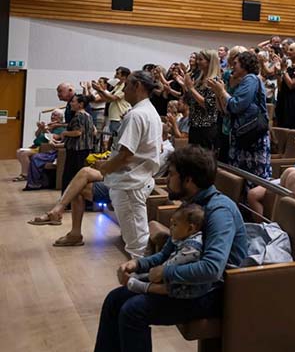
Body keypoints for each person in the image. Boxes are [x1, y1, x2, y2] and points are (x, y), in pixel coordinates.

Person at [94, 145, 248, 352]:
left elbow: (212, 269)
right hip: (190, 284)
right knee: (114, 300)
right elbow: (167, 253)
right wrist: (138, 264)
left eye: (172, 174)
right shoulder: (191, 205)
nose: (167, 179)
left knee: (133, 311)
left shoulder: (219, 211)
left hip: (217, 292)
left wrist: (166, 271)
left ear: (189, 180)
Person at [28, 71, 161, 256]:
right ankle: (70, 227)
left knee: (136, 244)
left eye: (127, 85)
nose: (123, 91)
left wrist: (105, 167)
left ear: (137, 86)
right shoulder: (148, 111)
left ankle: (138, 279)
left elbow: (126, 155)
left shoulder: (137, 115)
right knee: (80, 186)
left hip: (130, 184)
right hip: (132, 179)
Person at [209, 50, 272, 193]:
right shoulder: (245, 80)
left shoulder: (250, 79)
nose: (232, 66)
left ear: (245, 65)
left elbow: (237, 105)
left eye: (236, 63)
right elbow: (225, 111)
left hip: (252, 137)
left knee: (252, 179)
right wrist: (218, 92)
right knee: (240, 178)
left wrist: (222, 91)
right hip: (243, 136)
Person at [125, 203, 209, 298]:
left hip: (188, 288)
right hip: (176, 276)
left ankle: (145, 287)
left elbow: (169, 266)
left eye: (175, 224)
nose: (171, 228)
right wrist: (140, 265)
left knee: (169, 286)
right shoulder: (182, 237)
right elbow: (164, 255)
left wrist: (151, 274)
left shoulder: (192, 249)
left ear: (191, 228)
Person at [176, 49, 221, 150]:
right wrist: (185, 86)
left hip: (206, 127)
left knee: (204, 160)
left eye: (201, 59)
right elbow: (190, 100)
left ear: (209, 62)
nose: (197, 62)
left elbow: (208, 105)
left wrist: (191, 88)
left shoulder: (215, 81)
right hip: (194, 125)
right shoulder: (199, 79)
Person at [56, 94, 97, 192]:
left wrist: (65, 133)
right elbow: (94, 131)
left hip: (76, 150)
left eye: (73, 101)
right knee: (80, 175)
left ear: (80, 104)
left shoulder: (78, 116)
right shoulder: (89, 116)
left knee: (70, 175)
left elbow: (78, 132)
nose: (71, 104)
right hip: (86, 149)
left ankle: (67, 200)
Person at [14, 109, 64, 182]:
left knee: (23, 154)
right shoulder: (50, 125)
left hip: (45, 149)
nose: (53, 117)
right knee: (18, 151)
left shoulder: (61, 128)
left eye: (55, 115)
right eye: (52, 115)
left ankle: (26, 174)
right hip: (36, 146)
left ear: (60, 118)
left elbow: (53, 137)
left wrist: (45, 129)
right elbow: (37, 135)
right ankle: (27, 172)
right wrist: (40, 128)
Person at [274, 42, 295, 129]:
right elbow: (281, 87)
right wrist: (278, 73)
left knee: (291, 127)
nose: (288, 51)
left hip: (294, 101)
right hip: (284, 98)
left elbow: (291, 85)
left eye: (291, 50)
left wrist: (284, 70)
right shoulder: (290, 67)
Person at [92, 67, 132, 135]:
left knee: (117, 139)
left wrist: (100, 90)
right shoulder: (117, 86)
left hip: (119, 117)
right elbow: (107, 99)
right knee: (113, 138)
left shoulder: (125, 86)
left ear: (124, 76)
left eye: (117, 74)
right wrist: (98, 90)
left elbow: (113, 98)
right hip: (113, 117)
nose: (115, 76)